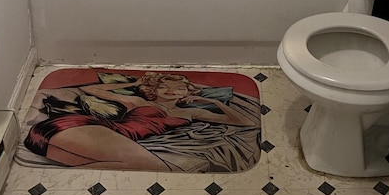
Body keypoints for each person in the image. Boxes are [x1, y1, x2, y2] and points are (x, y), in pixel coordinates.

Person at [24, 72, 255, 171]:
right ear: (154, 88)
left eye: (178, 87)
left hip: (57, 144)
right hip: (82, 129)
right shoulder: (135, 100)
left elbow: (243, 121)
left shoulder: (191, 114)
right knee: (159, 166)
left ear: (189, 91)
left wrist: (216, 103)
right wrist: (133, 84)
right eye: (164, 86)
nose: (171, 91)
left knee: (135, 165)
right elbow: (89, 88)